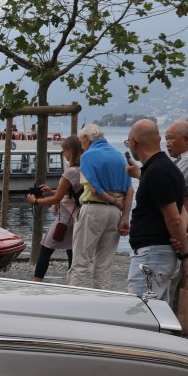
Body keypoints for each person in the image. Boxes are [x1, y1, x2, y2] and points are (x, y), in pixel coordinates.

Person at [124, 119, 188, 306]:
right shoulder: (166, 168)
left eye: (128, 142)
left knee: (141, 311)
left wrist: (185, 255)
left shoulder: (157, 171)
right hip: (158, 253)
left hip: (152, 255)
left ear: (134, 142)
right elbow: (181, 210)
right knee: (157, 312)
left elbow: (174, 218)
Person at [67, 123, 133, 290]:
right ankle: (101, 299)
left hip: (93, 209)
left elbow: (94, 188)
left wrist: (112, 200)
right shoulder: (119, 156)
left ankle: (74, 300)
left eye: (82, 142)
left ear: (87, 139)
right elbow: (130, 190)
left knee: (80, 263)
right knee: (104, 265)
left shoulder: (88, 156)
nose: (82, 146)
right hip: (115, 214)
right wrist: (125, 217)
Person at [30, 135, 83, 281]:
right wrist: (51, 190)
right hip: (77, 216)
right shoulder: (83, 169)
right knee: (71, 248)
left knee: (46, 247)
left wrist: (35, 201)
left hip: (65, 218)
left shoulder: (70, 172)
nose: (63, 154)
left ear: (70, 151)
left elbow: (57, 199)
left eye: (63, 150)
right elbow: (70, 192)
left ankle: (37, 281)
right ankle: (73, 282)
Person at [164, 119, 188, 254]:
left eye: (170, 138)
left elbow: (167, 185)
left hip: (182, 219)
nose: (167, 143)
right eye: (166, 139)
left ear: (185, 139)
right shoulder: (187, 159)